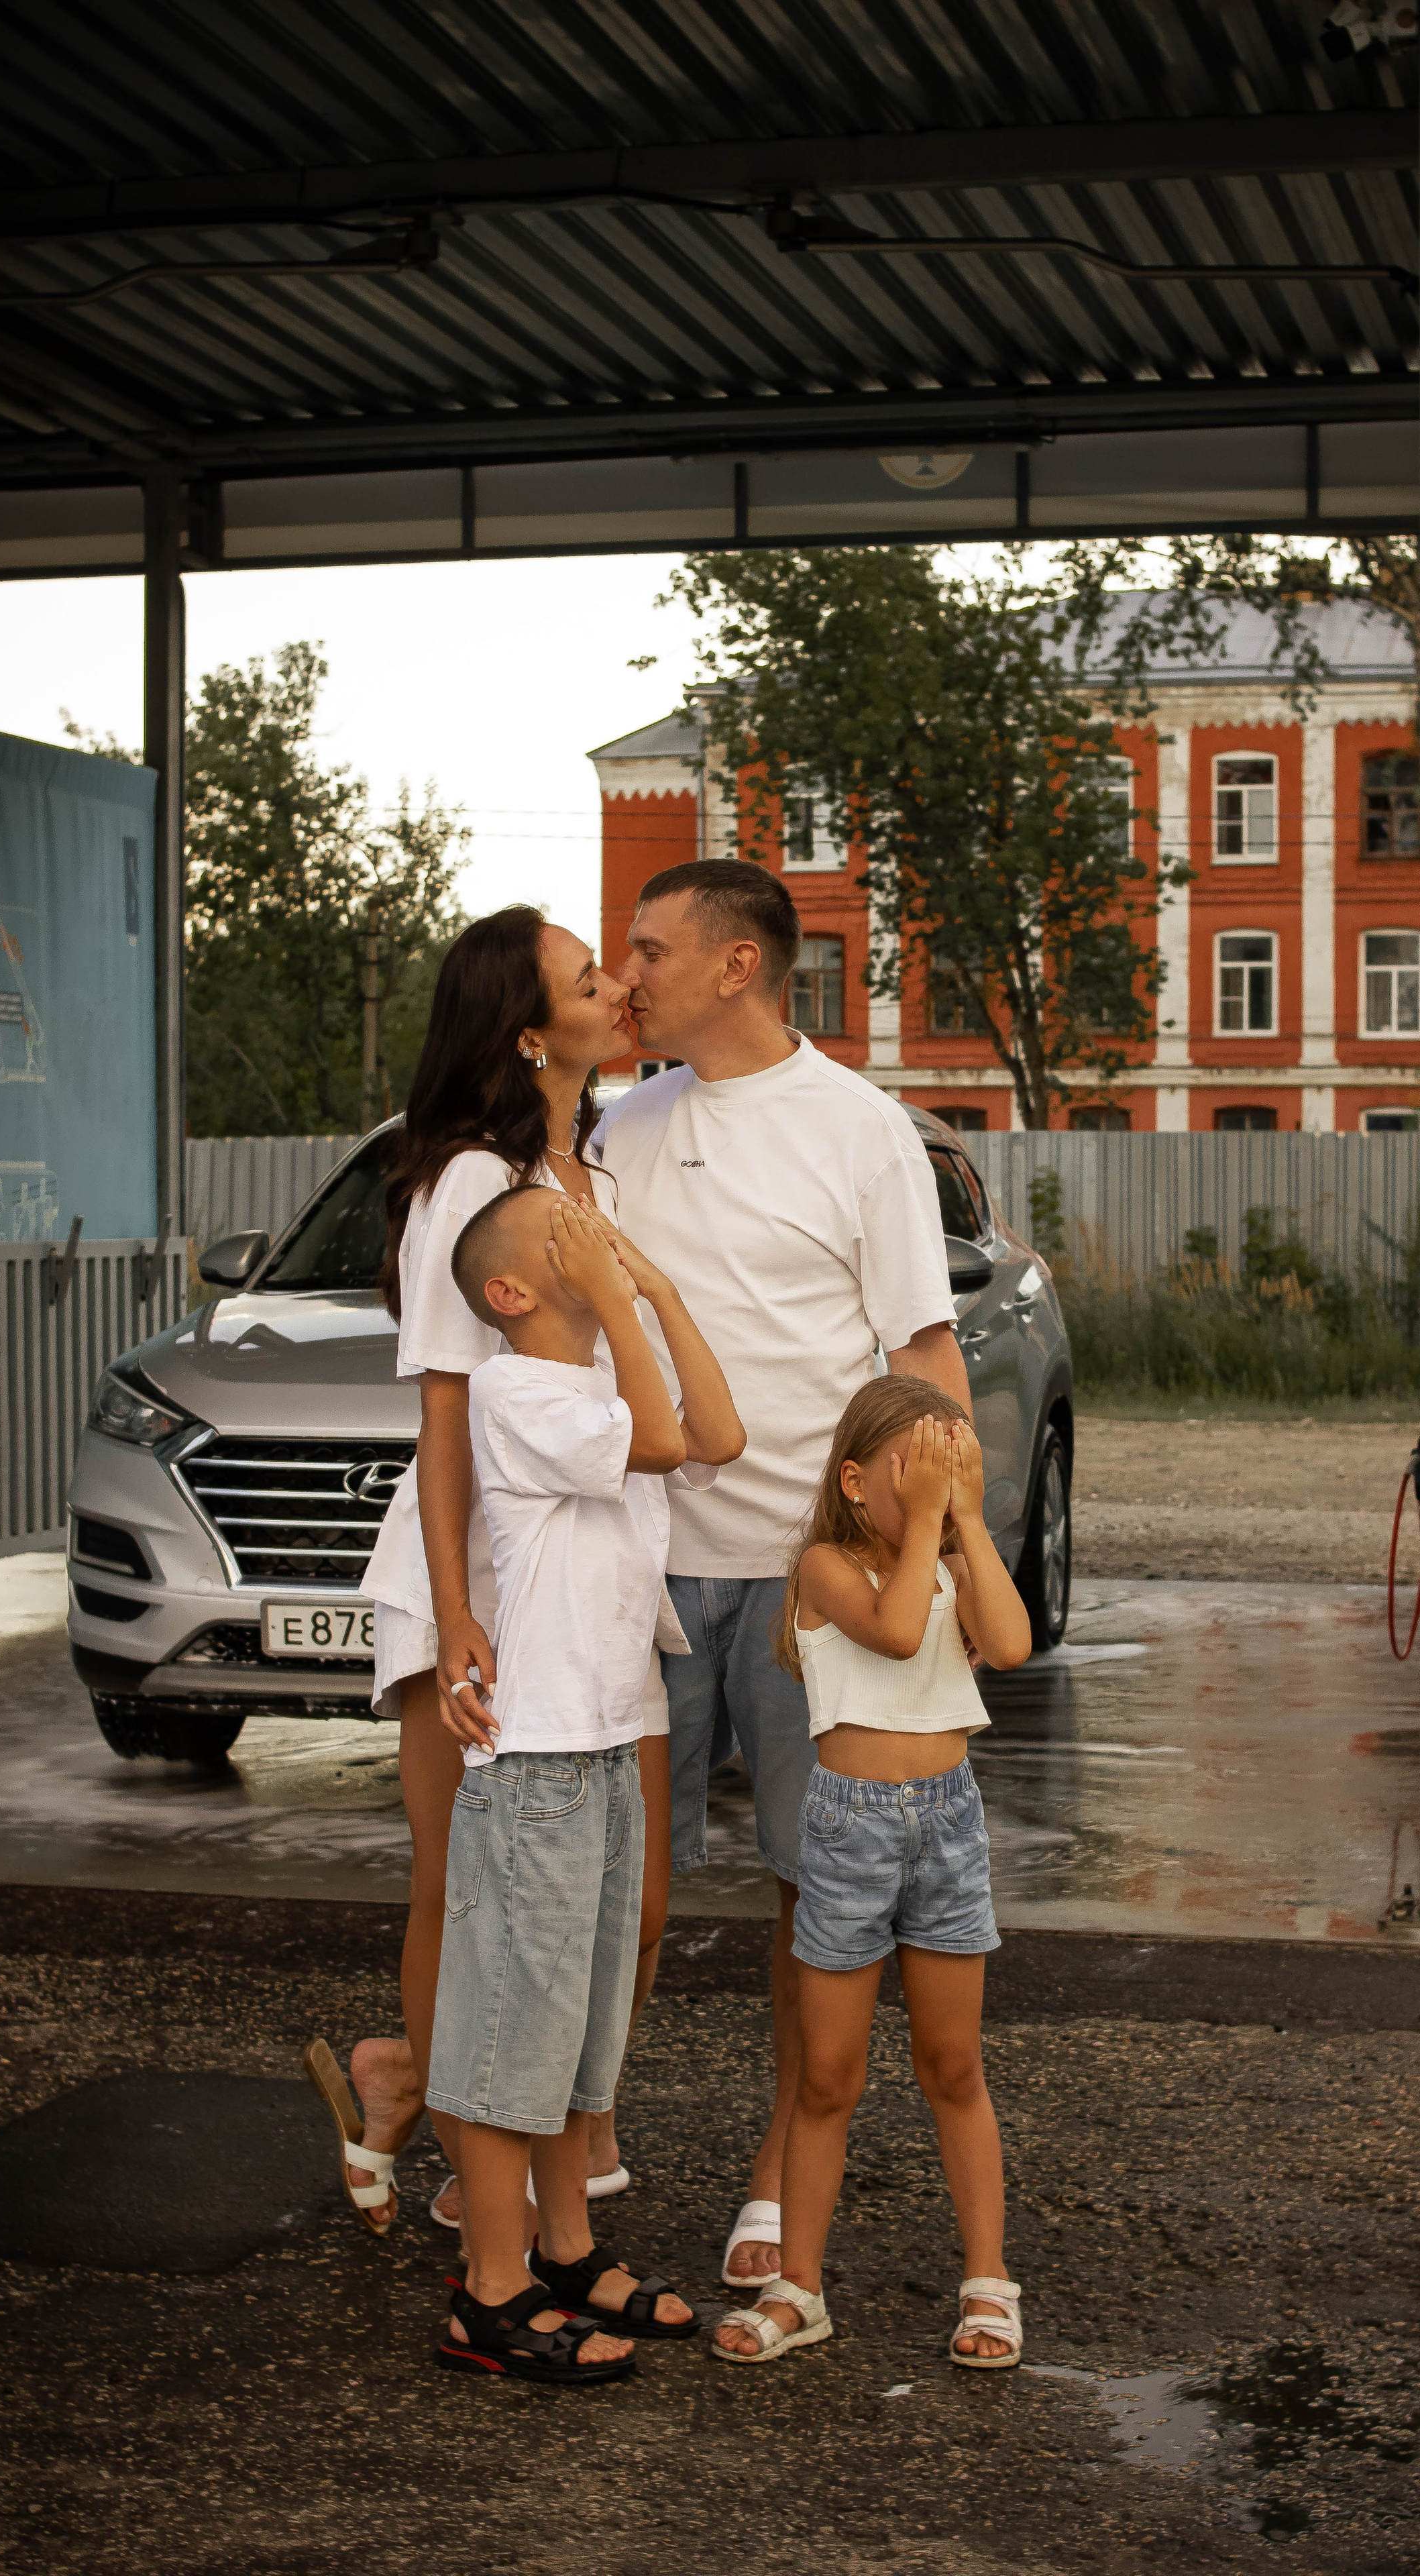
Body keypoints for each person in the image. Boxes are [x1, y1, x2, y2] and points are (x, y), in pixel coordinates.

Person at [592, 857, 968, 2290]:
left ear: (733, 966)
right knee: (618, 1873)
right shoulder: (623, 1125)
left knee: (817, 1888)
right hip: (639, 1563)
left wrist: (932, 1561)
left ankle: (773, 2175)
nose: (629, 975)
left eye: (648, 949)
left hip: (805, 1582)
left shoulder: (860, 1130)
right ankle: (583, 2134)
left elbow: (921, 1360)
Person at [303, 908, 665, 2238]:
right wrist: (462, 1619)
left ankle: (408, 2079)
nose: (619, 987)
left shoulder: (595, 1179)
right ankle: (487, 2186)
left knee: (610, 1889)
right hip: (484, 1574)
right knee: (465, 1881)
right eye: (589, 980)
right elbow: (446, 1419)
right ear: (529, 1034)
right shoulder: (464, 1183)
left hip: (596, 1580)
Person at [429, 1185, 743, 2384]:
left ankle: (565, 2248)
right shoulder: (518, 1392)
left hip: (607, 1743)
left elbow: (716, 1437)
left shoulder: (601, 1393)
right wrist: (618, 1292)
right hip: (540, 1762)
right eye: (563, 1240)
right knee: (519, 2022)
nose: (591, 1242)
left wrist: (652, 1289)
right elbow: (664, 1443)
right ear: (510, 1293)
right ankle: (491, 2292)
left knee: (580, 2023)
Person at [712, 1379, 1030, 2370]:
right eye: (914, 1471)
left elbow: (1011, 1647)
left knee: (953, 2066)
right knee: (827, 2076)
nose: (935, 1488)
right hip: (849, 1832)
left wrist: (963, 1517)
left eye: (951, 1465)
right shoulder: (822, 1567)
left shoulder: (951, 1564)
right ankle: (798, 2287)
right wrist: (935, 1514)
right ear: (855, 1481)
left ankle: (989, 2285)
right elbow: (895, 1631)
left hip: (947, 1824)